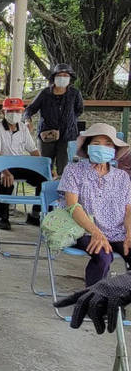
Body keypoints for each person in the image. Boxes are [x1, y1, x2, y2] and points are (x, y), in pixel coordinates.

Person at [58, 123, 131, 288]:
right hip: (85, 229)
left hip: (117, 231)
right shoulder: (73, 170)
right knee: (103, 255)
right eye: (96, 143)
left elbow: (128, 209)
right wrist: (96, 232)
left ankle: (119, 299)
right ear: (88, 147)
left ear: (114, 149)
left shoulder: (122, 177)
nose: (102, 148)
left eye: (108, 144)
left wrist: (129, 234)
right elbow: (72, 206)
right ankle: (94, 302)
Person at [0, 97, 44, 230]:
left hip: (18, 164)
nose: (15, 114)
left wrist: (44, 167)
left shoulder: (23, 128)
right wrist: (4, 171)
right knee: (5, 180)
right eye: (10, 111)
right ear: (3, 112)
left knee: (45, 179)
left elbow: (33, 150)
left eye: (18, 111)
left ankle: (35, 214)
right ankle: (3, 217)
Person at [24, 63, 84, 178]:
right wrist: (28, 120)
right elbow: (30, 109)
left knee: (64, 169)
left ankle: (62, 194)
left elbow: (79, 110)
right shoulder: (44, 93)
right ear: (54, 77)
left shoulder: (75, 94)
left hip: (67, 136)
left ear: (70, 78)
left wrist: (69, 120)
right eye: (60, 75)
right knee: (44, 168)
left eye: (66, 75)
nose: (63, 77)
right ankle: (43, 193)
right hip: (47, 135)